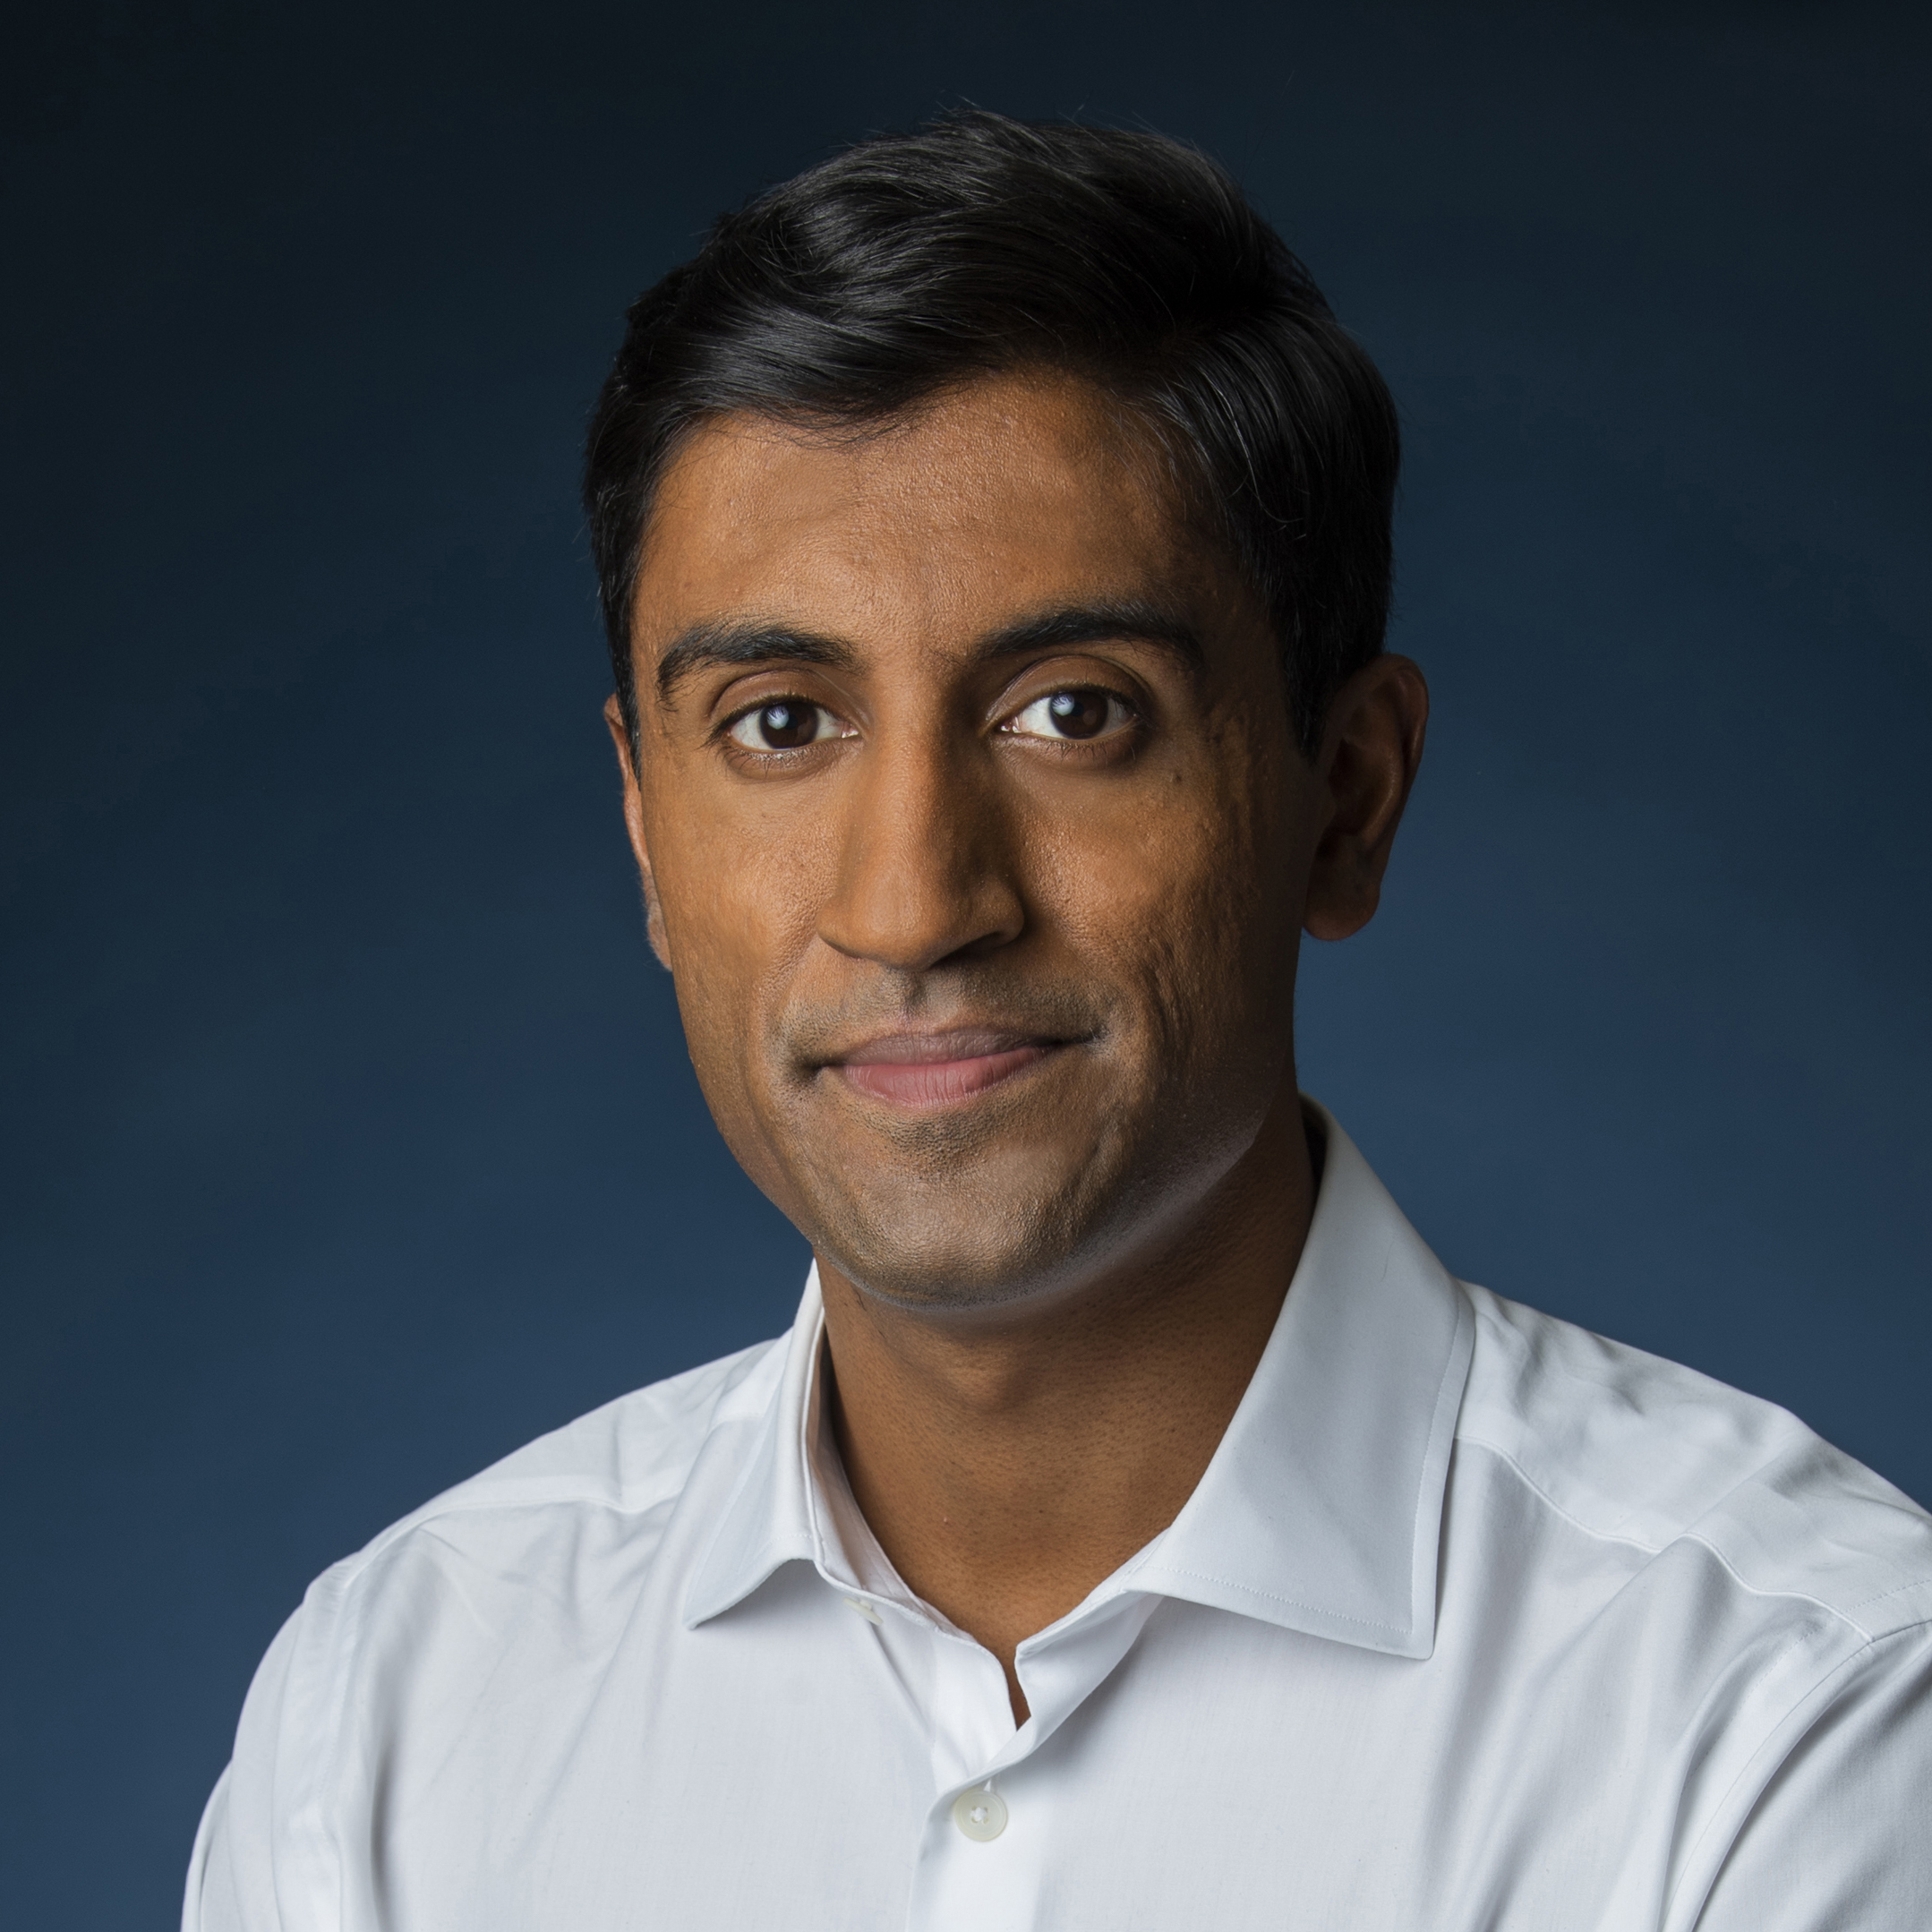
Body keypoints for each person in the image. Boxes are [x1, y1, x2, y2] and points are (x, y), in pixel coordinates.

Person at [184, 112, 1932, 1932]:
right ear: (643, 828)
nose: (916, 899)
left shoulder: (1794, 1716)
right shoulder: (387, 1721)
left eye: (1070, 710)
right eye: (781, 722)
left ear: (1343, 793)